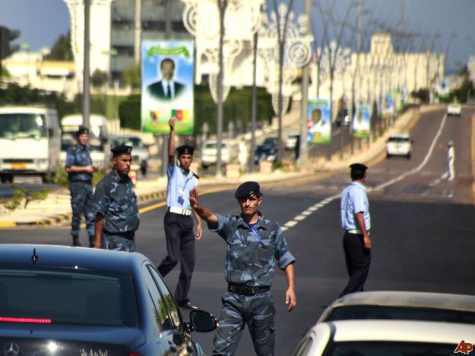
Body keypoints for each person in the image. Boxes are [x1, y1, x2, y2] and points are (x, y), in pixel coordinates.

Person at [189, 181, 297, 356]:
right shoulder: (232, 225)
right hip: (234, 301)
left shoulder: (272, 229)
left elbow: (285, 258)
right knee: (220, 351)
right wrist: (198, 207)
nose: (247, 203)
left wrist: (291, 287)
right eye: (243, 200)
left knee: (265, 352)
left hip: (261, 301)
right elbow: (211, 217)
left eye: (251, 199)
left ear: (259, 201)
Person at [157, 117, 202, 310]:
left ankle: (181, 298)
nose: (185, 160)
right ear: (179, 159)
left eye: (188, 158)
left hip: (186, 220)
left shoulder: (193, 179)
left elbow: (194, 202)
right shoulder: (172, 171)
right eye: (183, 157)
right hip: (173, 219)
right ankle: (154, 280)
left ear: (191, 159)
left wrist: (199, 222)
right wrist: (172, 131)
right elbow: (169, 153)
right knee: (173, 258)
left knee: (189, 264)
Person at [93, 144, 139, 252]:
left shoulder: (127, 181)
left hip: (129, 237)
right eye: (124, 160)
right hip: (113, 240)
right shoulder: (105, 184)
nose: (128, 164)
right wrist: (97, 243)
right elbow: (99, 216)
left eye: (129, 161)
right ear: (114, 161)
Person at [339, 163, 372, 297]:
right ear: (364, 176)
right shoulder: (358, 191)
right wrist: (365, 236)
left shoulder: (347, 190)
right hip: (357, 236)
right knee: (361, 270)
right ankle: (342, 300)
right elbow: (359, 213)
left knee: (354, 273)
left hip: (348, 236)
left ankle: (357, 300)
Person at [65, 126, 96, 247]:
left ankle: (92, 239)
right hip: (77, 184)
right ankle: (75, 238)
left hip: (88, 184)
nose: (85, 138)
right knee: (77, 213)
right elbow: (69, 167)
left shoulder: (87, 149)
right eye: (82, 136)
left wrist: (93, 169)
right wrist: (85, 169)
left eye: (86, 136)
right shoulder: (72, 150)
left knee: (91, 213)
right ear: (78, 137)